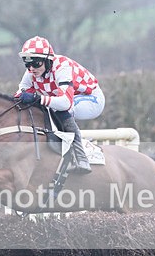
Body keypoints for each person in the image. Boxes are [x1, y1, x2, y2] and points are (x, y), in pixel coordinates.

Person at [14, 36, 105, 174]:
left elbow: (65, 103)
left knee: (58, 108)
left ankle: (81, 157)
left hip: (91, 98)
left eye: (36, 63)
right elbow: (19, 96)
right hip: (66, 99)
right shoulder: (31, 72)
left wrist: (36, 98)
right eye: (27, 64)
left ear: (47, 60)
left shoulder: (62, 67)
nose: (31, 68)